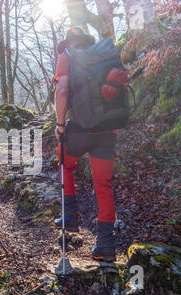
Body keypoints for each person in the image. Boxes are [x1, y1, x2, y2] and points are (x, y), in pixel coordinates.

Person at [53, 27, 118, 262]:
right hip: (108, 129)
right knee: (103, 184)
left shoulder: (67, 56)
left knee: (63, 162)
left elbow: (62, 91)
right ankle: (106, 245)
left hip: (80, 128)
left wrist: (60, 125)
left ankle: (70, 217)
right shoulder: (103, 57)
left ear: (69, 42)